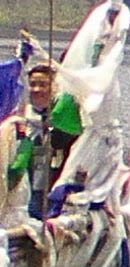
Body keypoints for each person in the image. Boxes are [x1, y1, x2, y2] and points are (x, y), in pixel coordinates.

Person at [6, 62, 82, 219]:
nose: (36, 89)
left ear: (54, 87)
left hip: (56, 192)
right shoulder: (21, 120)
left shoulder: (66, 119)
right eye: (33, 84)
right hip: (27, 191)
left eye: (43, 85)